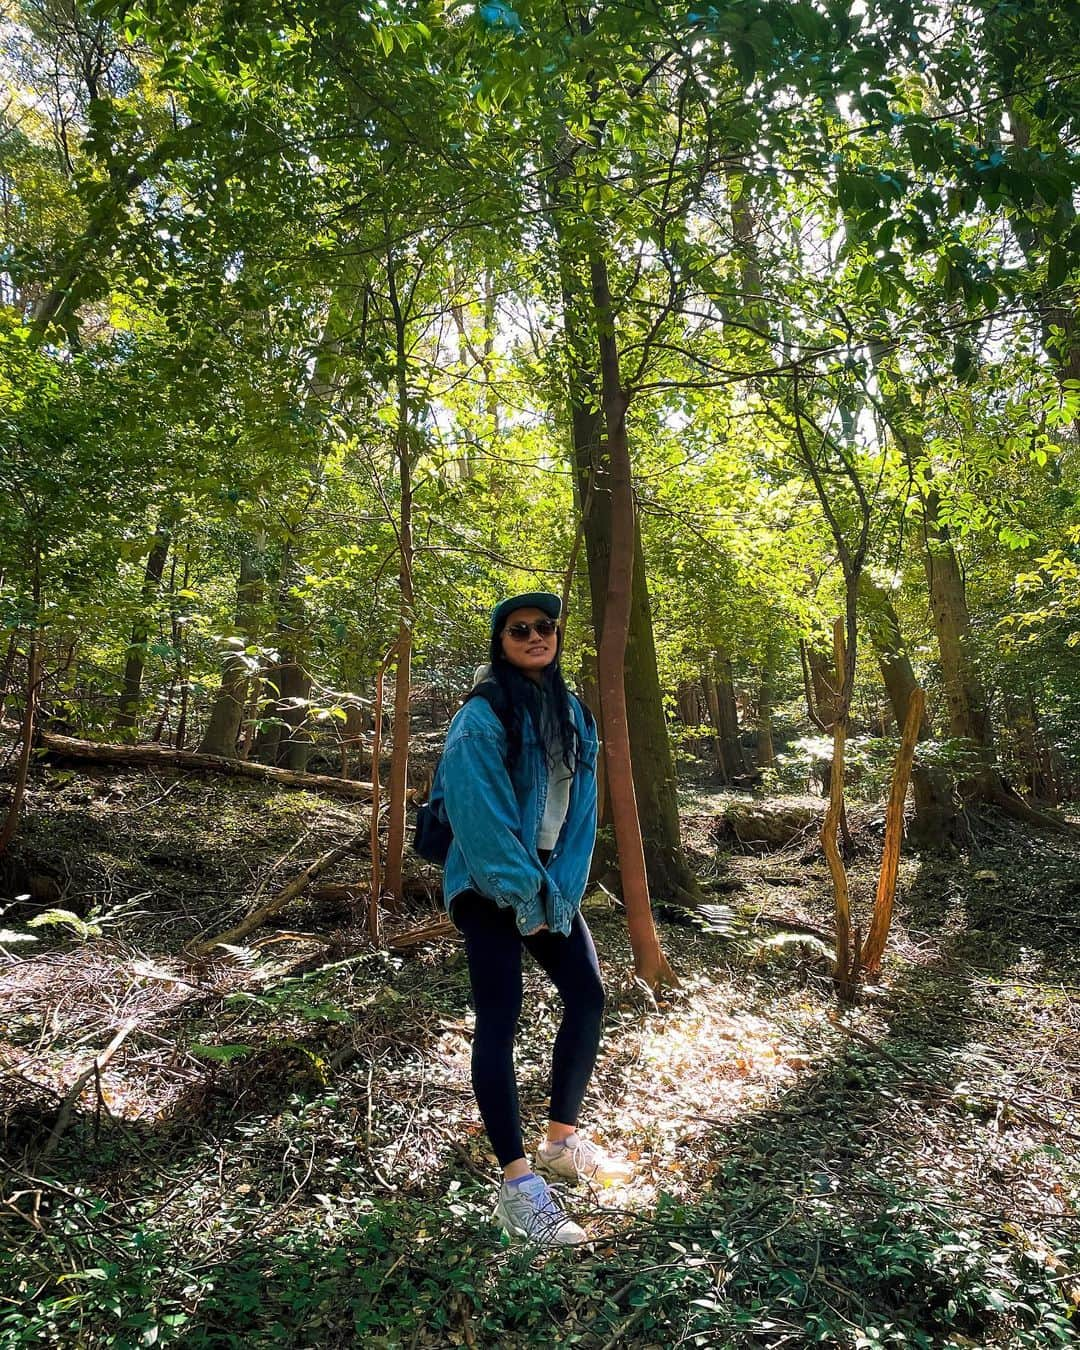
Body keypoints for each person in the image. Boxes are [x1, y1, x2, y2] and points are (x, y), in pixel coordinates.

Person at [427, 591, 630, 1246]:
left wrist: (560, 894)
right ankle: (518, 1186)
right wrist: (523, 900)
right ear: (501, 641)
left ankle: (561, 1142)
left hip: (545, 879)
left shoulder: (571, 710)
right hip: (487, 881)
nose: (536, 636)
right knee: (501, 1016)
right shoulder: (481, 716)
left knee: (588, 994)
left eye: (545, 626)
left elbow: (581, 815)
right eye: (520, 629)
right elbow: (479, 818)